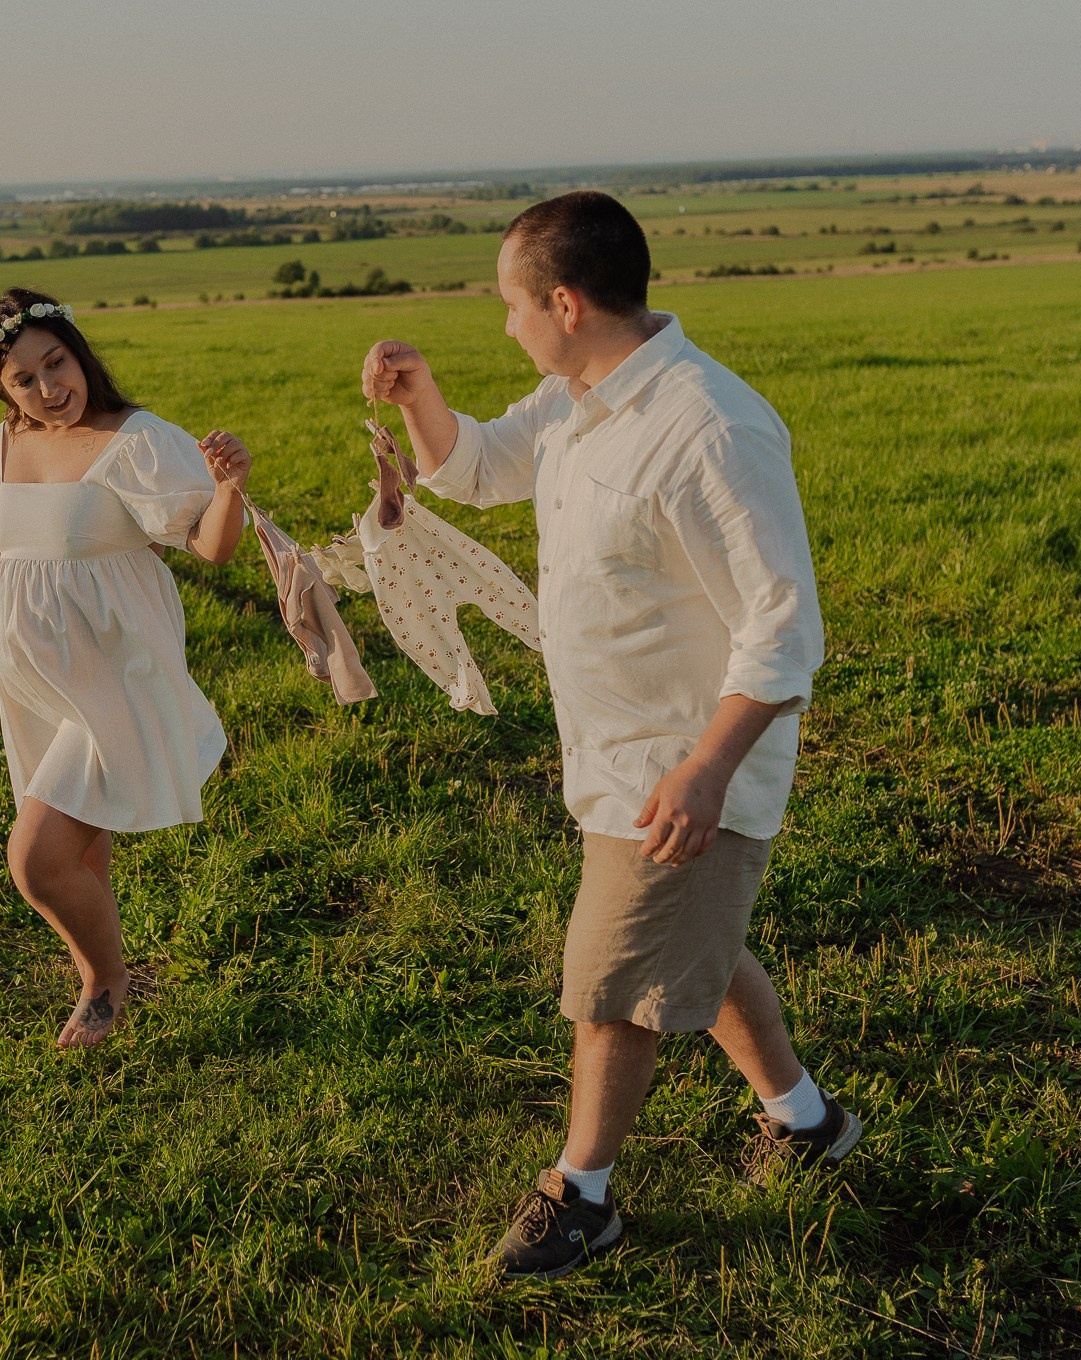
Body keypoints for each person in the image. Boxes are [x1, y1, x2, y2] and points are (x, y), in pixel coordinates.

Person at [361, 192, 859, 1278]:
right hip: (612, 753)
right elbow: (480, 468)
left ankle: (581, 1196)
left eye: (511, 305)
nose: (506, 325)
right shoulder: (574, 397)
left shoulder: (710, 427)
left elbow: (785, 629)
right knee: (697, 948)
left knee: (611, 980)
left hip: (687, 763)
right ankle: (808, 1120)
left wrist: (705, 770)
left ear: (566, 303)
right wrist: (421, 399)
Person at [0, 287, 250, 1048]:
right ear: (3, 389)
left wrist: (229, 487)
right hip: (37, 685)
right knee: (81, 849)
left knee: (37, 860)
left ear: (80, 355)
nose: (49, 388)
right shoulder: (2, 446)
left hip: (116, 681)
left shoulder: (137, 440)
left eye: (57, 364)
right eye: (24, 379)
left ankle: (105, 982)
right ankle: (101, 973)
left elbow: (210, 546)